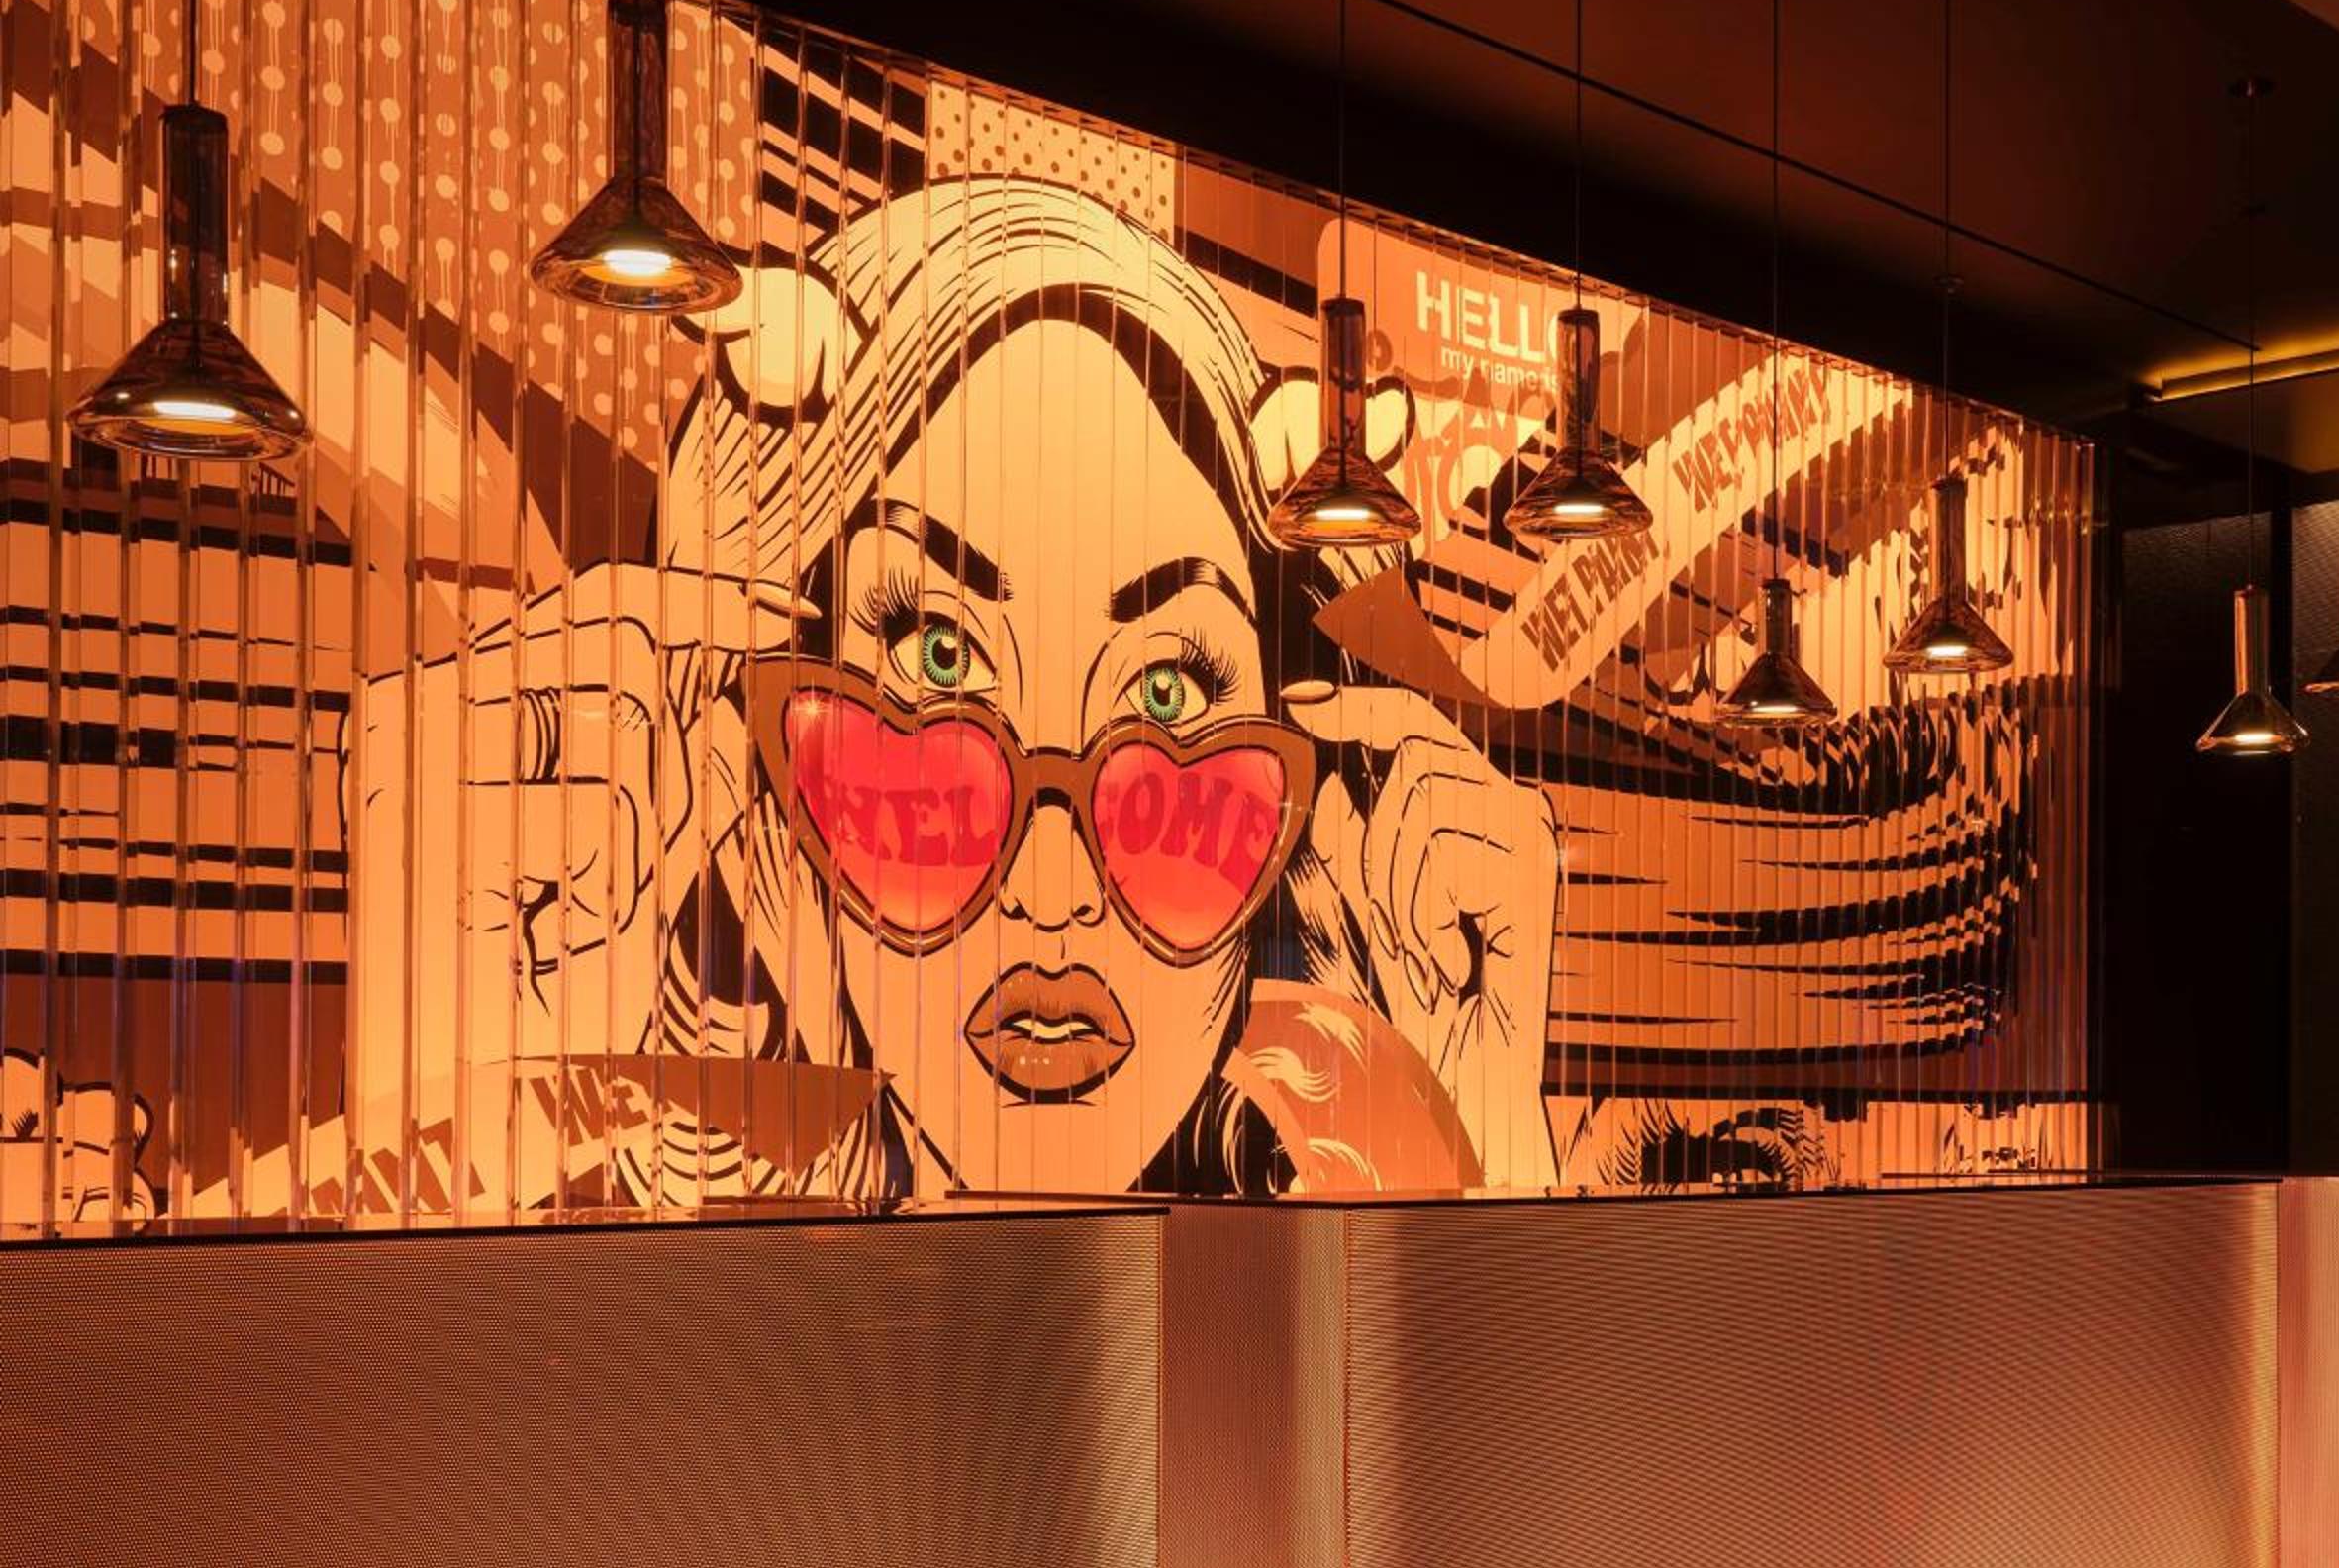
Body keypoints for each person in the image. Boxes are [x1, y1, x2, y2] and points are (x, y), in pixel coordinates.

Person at [348, 176, 1561, 1211]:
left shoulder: (1301, 1274)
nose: (1051, 891)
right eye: (936, 658)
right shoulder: (703, 1248)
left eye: (1166, 692)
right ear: (763, 765)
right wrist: (449, 1073)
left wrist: (1490, 1119)